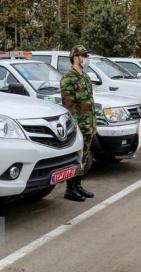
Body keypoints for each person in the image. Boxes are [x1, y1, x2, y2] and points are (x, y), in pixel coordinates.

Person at [60, 45, 96, 202]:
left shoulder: (86, 78)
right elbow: (69, 107)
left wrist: (94, 124)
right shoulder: (68, 79)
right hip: (78, 126)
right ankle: (70, 189)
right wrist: (75, 128)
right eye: (83, 55)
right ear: (75, 57)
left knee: (84, 157)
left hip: (88, 125)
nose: (86, 58)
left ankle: (78, 185)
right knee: (76, 157)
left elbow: (91, 103)